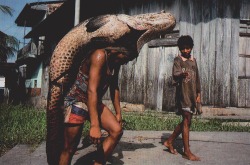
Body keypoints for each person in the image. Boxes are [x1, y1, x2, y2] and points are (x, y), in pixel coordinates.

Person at [59, 46, 138, 165]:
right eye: (126, 58)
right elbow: (92, 90)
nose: (126, 61)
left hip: (94, 101)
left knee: (116, 131)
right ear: (116, 50)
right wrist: (95, 126)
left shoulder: (116, 62)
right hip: (77, 100)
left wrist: (118, 113)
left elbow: (114, 87)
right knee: (69, 148)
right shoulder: (99, 55)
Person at [163, 35, 201, 161]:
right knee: (186, 120)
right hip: (183, 94)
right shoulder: (178, 60)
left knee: (187, 121)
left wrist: (198, 94)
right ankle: (187, 151)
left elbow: (197, 79)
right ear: (180, 49)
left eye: (188, 48)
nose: (186, 50)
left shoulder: (194, 61)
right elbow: (175, 73)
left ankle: (169, 141)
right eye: (183, 48)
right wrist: (181, 74)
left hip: (191, 95)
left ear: (191, 48)